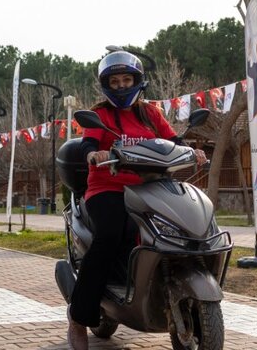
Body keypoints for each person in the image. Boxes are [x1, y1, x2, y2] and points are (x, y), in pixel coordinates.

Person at [66, 51, 207, 350]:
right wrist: (93, 154)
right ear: (106, 85)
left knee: (175, 231)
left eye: (126, 80)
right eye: (115, 81)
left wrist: (192, 151)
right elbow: (88, 143)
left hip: (150, 187)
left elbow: (173, 141)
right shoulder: (100, 115)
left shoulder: (151, 113)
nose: (121, 86)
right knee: (109, 235)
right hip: (107, 188)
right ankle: (79, 317)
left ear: (137, 81)